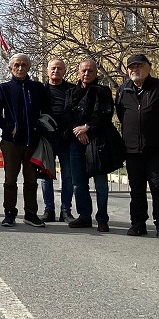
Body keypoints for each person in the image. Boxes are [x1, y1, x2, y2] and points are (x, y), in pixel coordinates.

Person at [116, 54, 159, 240]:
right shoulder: (123, 90)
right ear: (128, 71)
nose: (135, 69)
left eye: (140, 66)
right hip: (132, 150)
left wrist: (157, 129)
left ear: (149, 68)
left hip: (156, 148)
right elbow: (122, 115)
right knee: (136, 188)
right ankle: (138, 223)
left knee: (158, 187)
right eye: (132, 67)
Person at [0, 53, 51, 228]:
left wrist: (40, 127)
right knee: (10, 181)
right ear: (10, 68)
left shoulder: (37, 88)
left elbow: (47, 111)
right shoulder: (4, 88)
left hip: (32, 143)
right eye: (16, 65)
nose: (20, 68)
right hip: (11, 143)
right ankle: (9, 214)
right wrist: (8, 126)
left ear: (29, 67)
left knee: (31, 181)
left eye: (23, 65)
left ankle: (31, 213)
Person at [64, 59, 114, 232]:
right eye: (83, 71)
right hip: (76, 141)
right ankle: (84, 216)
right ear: (79, 72)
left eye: (90, 71)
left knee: (101, 183)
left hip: (97, 142)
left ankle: (102, 218)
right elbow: (67, 114)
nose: (86, 74)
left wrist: (87, 128)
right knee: (78, 182)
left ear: (96, 73)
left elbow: (105, 114)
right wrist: (77, 131)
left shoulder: (103, 91)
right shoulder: (71, 92)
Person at [40, 58, 76, 223]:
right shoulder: (40, 90)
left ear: (64, 71)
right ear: (48, 71)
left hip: (66, 139)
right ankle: (49, 209)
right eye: (53, 68)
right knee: (46, 175)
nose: (56, 71)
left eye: (59, 68)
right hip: (46, 139)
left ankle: (65, 210)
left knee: (68, 176)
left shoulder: (72, 90)